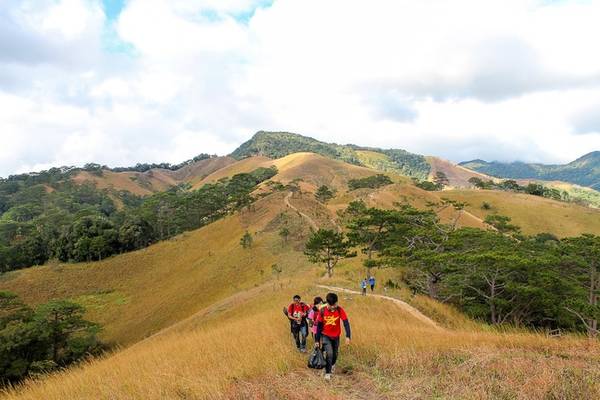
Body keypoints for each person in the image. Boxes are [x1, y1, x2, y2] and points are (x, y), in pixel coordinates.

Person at [315, 292, 351, 381]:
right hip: (325, 336)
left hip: (336, 336)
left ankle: (332, 364)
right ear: (327, 303)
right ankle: (328, 372)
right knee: (329, 353)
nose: (333, 307)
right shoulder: (322, 311)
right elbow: (319, 326)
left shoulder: (339, 310)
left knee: (335, 354)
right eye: (331, 305)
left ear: (336, 302)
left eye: (334, 304)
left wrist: (348, 336)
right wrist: (317, 340)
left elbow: (346, 322)